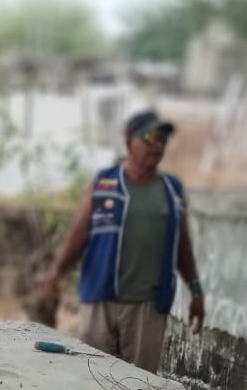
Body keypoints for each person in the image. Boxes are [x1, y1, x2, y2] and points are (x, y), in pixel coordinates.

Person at [40, 109, 205, 371]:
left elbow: (181, 245)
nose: (158, 145)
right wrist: (56, 272)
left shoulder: (172, 190)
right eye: (150, 137)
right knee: (91, 376)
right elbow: (79, 233)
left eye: (163, 139)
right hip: (100, 302)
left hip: (148, 308)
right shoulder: (104, 183)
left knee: (139, 383)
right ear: (129, 141)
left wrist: (195, 291)